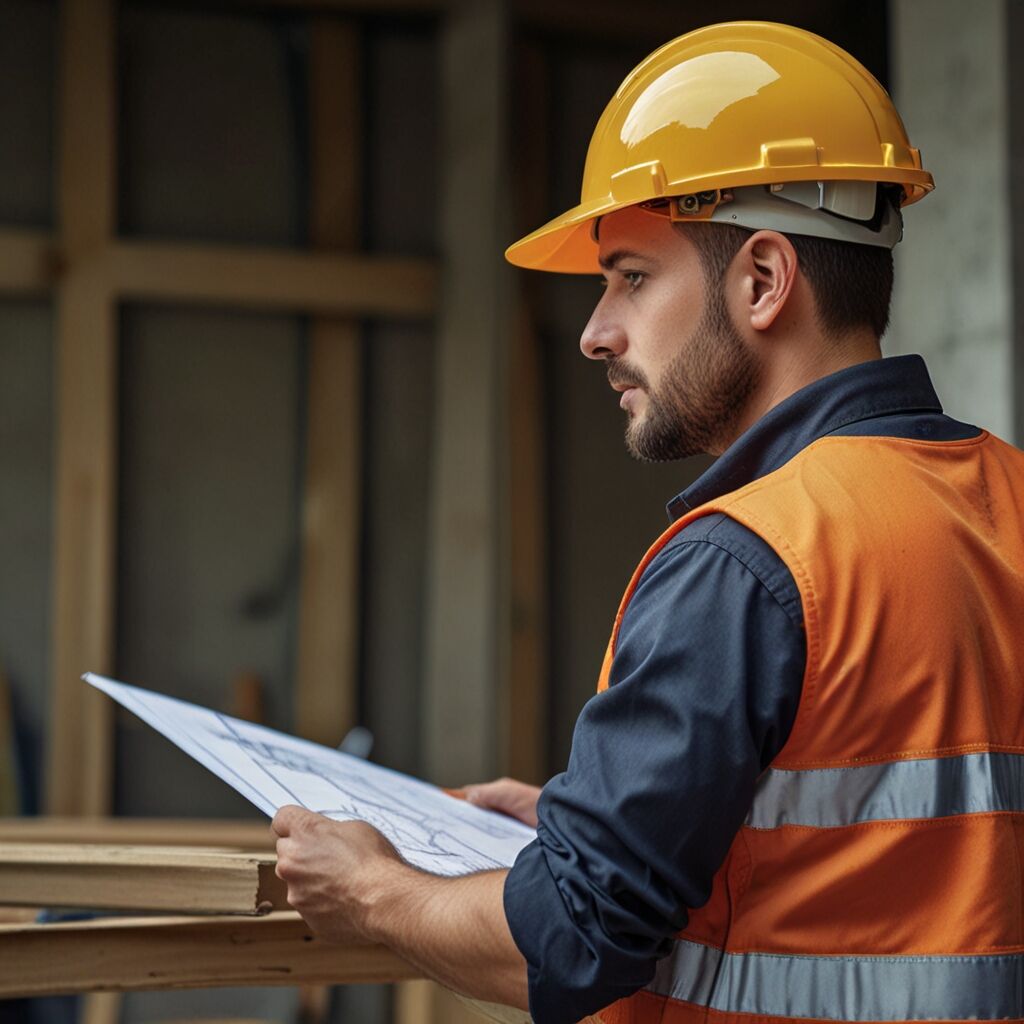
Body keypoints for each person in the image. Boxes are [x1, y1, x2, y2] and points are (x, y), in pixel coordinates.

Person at [272, 21, 1024, 1024]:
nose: (595, 332)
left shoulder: (751, 561)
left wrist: (370, 888)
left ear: (761, 281)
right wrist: (608, 823)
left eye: (630, 275)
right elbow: (928, 851)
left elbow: (574, 938)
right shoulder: (1003, 496)